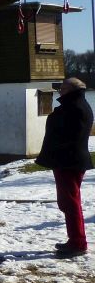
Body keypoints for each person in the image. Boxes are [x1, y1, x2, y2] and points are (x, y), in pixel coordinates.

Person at [35, 77, 94, 258]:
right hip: (70, 160)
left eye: (62, 88)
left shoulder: (73, 108)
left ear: (71, 89)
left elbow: (62, 131)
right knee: (69, 201)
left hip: (68, 161)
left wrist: (54, 116)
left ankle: (78, 242)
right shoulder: (79, 106)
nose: (60, 91)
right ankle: (75, 240)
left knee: (70, 203)